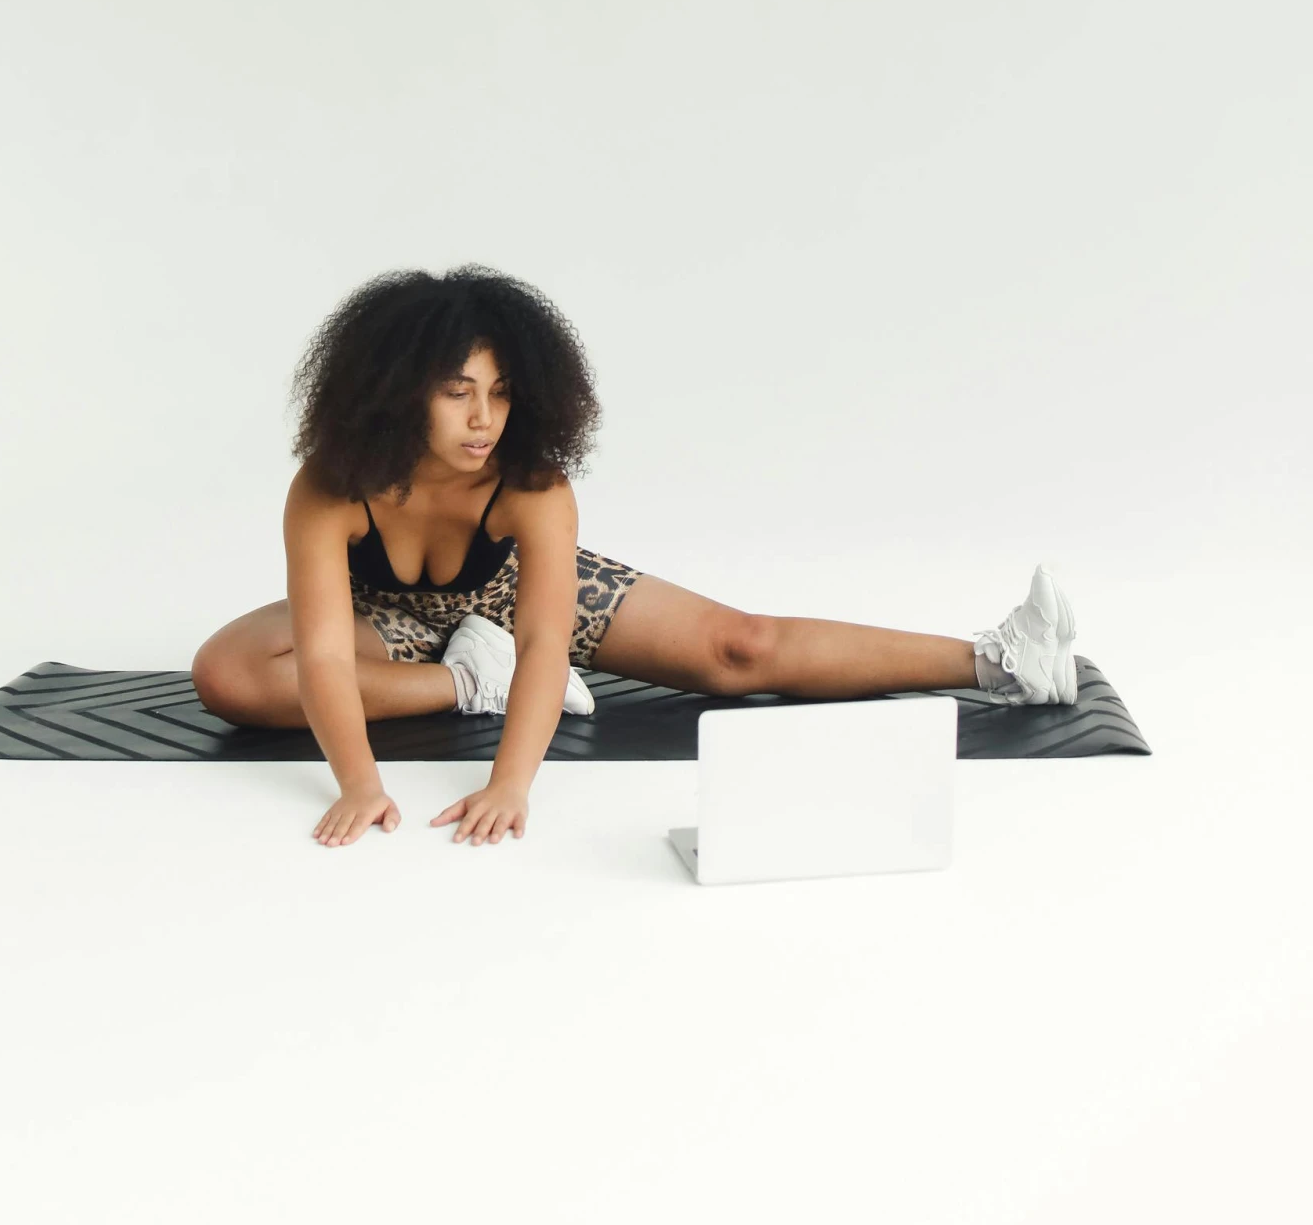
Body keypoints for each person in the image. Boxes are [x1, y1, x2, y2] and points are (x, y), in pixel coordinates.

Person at [191, 265, 1077, 850]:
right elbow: (319, 653)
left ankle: (1001, 659)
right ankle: (467, 682)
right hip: (385, 616)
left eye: (499, 394)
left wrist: (511, 784)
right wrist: (357, 784)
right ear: (393, 395)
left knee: (738, 648)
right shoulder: (330, 485)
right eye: (458, 393)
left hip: (506, 595)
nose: (482, 419)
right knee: (228, 676)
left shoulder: (530, 487)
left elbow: (545, 643)